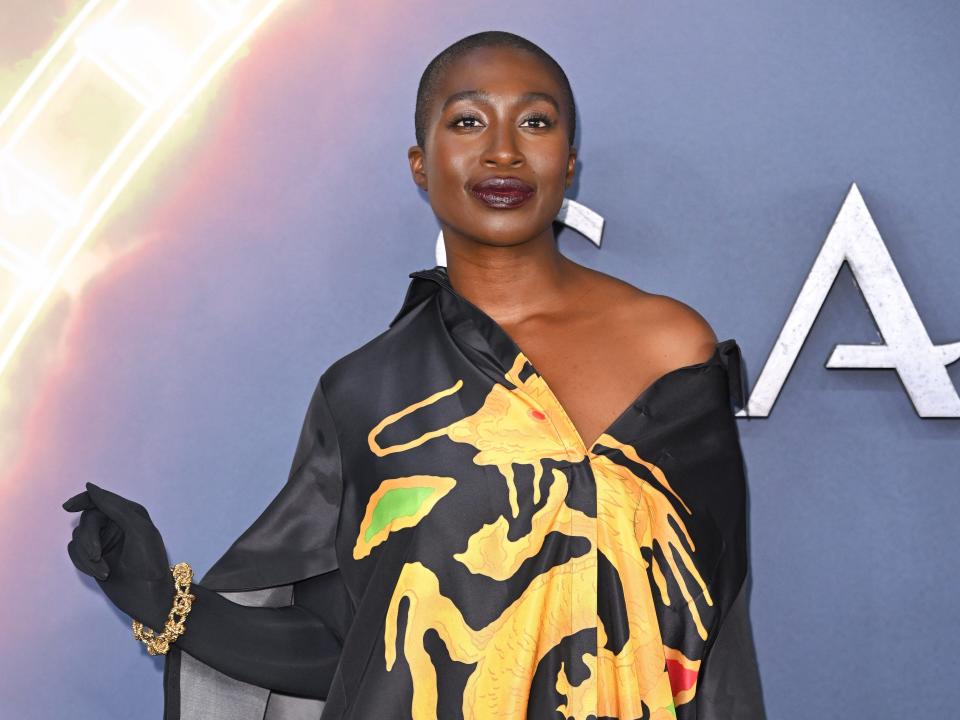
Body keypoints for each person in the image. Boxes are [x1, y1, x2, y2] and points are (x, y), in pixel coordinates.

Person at [64, 30, 766, 720]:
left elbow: (717, 619)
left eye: (535, 121)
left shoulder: (671, 345)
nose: (502, 149)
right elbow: (351, 641)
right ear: (419, 164)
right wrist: (164, 603)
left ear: (570, 161)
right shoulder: (368, 393)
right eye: (467, 121)